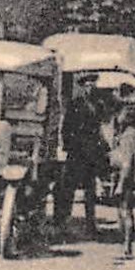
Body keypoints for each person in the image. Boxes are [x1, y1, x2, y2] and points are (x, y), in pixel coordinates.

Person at [52, 76, 103, 241]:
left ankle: (91, 224)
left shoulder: (98, 105)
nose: (90, 88)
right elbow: (66, 127)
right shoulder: (75, 104)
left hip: (91, 153)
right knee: (67, 188)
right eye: (87, 85)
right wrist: (67, 146)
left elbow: (98, 130)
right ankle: (61, 223)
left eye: (92, 85)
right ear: (82, 87)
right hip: (76, 152)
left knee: (90, 190)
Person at [109, 90, 135, 258]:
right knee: (122, 210)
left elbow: (127, 163)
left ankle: (127, 245)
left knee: (126, 209)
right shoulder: (126, 133)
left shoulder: (130, 135)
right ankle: (125, 243)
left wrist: (120, 184)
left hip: (126, 176)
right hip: (121, 175)